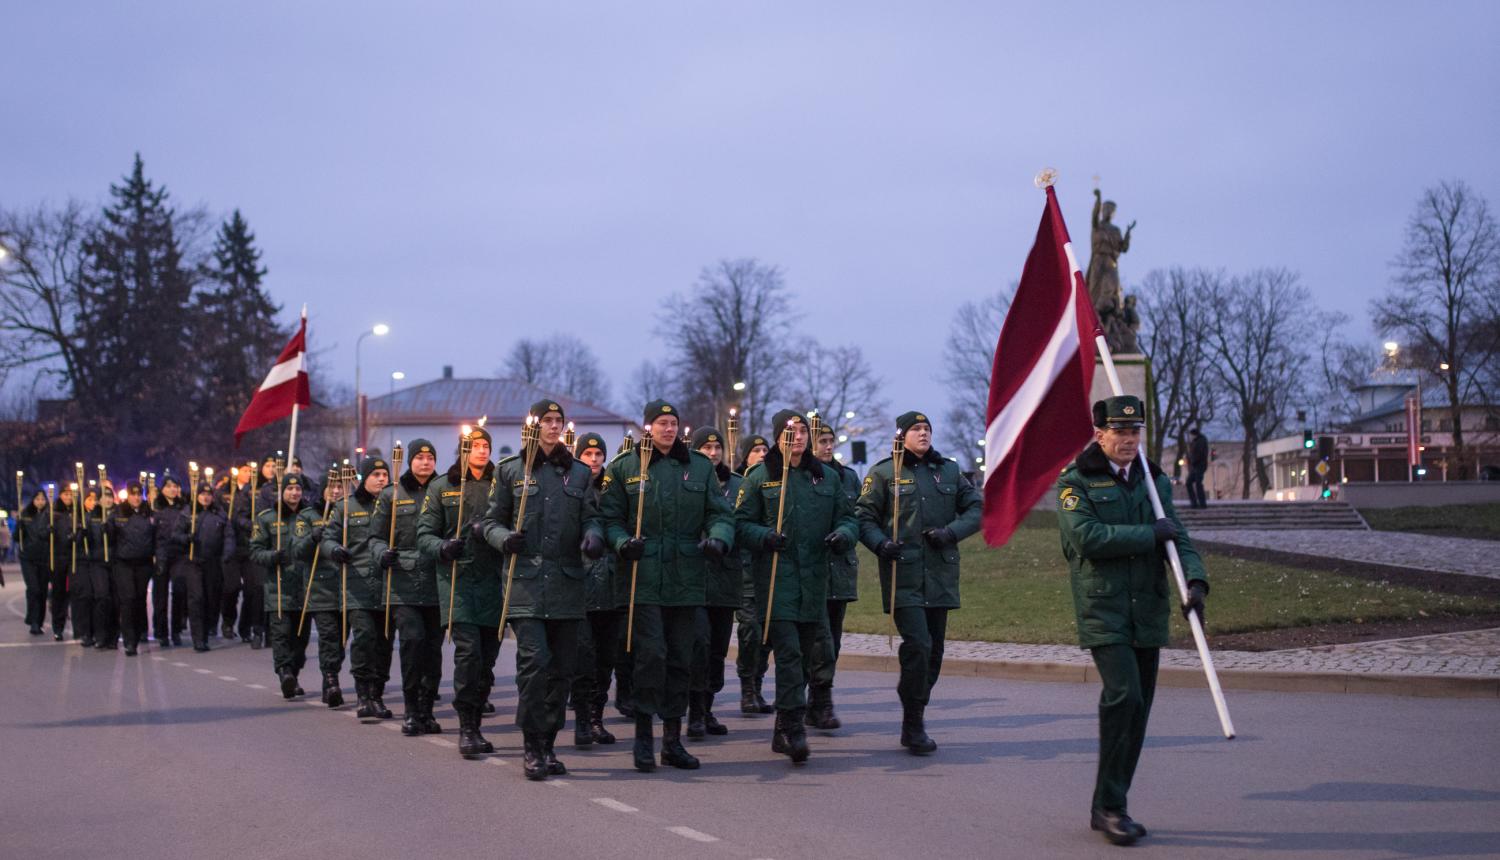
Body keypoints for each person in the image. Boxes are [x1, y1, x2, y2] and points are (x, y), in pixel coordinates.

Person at [1056, 395, 1209, 846]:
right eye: (1119, 432)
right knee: (1123, 696)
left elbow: (1176, 534)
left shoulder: (1153, 479)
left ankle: (1108, 801)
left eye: (1134, 432)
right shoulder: (1076, 482)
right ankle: (1111, 808)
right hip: (1102, 607)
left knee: (1139, 708)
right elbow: (1086, 538)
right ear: (1099, 434)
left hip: (1148, 608)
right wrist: (1148, 535)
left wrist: (1196, 582)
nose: (1128, 440)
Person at [599, 400, 734, 772]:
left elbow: (719, 514)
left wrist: (718, 539)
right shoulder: (626, 467)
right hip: (643, 580)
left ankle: (672, 740)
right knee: (651, 656)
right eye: (661, 423)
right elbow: (609, 517)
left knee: (681, 658)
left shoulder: (699, 467)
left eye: (673, 423)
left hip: (687, 580)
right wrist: (622, 543)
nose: (669, 429)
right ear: (648, 427)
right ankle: (644, 736)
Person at [479, 400, 604, 780]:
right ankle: (531, 743)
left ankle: (549, 742)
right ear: (534, 426)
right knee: (534, 665)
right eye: (546, 421)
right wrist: (503, 539)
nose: (553, 426)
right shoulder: (510, 472)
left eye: (558, 421)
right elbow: (489, 522)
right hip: (526, 586)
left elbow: (592, 517)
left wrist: (594, 538)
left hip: (567, 586)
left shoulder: (579, 474)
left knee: (563, 670)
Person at [855, 411, 982, 756]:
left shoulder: (950, 471)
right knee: (919, 645)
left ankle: (916, 708)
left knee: (935, 653)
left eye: (927, 428)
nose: (923, 433)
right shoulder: (884, 472)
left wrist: (950, 533)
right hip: (903, 577)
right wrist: (881, 544)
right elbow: (864, 517)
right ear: (901, 435)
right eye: (916, 429)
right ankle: (913, 723)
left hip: (940, 575)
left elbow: (977, 510)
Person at [735, 410, 858, 763]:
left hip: (814, 582)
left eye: (804, 430)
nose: (799, 437)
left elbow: (848, 518)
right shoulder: (761, 477)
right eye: (791, 431)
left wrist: (843, 536)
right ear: (777, 437)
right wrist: (764, 537)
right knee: (788, 655)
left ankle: (781, 729)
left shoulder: (825, 478)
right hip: (776, 582)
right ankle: (794, 728)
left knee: (806, 658)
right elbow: (740, 524)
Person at [417, 424, 501, 759]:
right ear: (463, 450)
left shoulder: (502, 483)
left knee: (488, 658)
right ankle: (467, 727)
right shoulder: (443, 486)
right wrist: (442, 547)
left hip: (495, 580)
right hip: (458, 581)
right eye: (474, 445)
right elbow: (424, 534)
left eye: (485, 445)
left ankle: (478, 717)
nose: (481, 450)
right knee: (468, 654)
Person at [370, 439, 443, 736]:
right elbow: (374, 537)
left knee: (433, 651)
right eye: (420, 457)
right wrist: (381, 554)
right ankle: (411, 710)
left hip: (438, 582)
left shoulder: (445, 490)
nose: (425, 462)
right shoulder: (392, 495)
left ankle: (427, 709)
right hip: (404, 584)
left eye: (430, 457)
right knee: (412, 644)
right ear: (410, 461)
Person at [325, 455, 395, 720]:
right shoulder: (346, 507)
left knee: (384, 641)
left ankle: (377, 694)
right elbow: (329, 537)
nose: (380, 479)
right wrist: (335, 550)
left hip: (389, 584)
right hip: (357, 583)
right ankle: (363, 694)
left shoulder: (394, 504)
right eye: (375, 475)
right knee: (364, 637)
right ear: (363, 479)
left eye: (384, 475)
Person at [568, 432, 623, 748]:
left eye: (598, 455)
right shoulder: (571, 488)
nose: (593, 460)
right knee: (583, 657)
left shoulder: (614, 490)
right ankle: (582, 720)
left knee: (605, 659)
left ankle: (597, 718)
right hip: (580, 586)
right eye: (587, 454)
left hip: (612, 588)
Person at [686, 426, 740, 740]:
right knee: (699, 644)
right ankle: (694, 712)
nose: (713, 452)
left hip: (725, 578)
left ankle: (707, 707)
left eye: (717, 446)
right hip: (694, 579)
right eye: (706, 447)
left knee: (718, 650)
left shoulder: (738, 485)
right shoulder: (689, 482)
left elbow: (740, 523)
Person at [810, 419, 861, 729]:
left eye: (830, 441)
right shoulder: (801, 477)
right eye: (822, 441)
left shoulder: (849, 479)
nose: (828, 446)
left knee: (834, 641)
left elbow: (857, 519)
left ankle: (816, 701)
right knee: (819, 641)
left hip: (839, 569)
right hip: (811, 569)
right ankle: (821, 701)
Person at [250, 473, 313, 699]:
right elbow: (255, 551)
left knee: (300, 638)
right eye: (290, 489)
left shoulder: (309, 516)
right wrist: (273, 556)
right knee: (281, 635)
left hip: (305, 587)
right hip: (278, 588)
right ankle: (285, 672)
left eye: (298, 490)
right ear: (282, 491)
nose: (294, 493)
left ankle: (293, 674)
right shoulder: (267, 518)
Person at [731, 433, 774, 715]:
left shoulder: (771, 482)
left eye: (764, 449)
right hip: (742, 570)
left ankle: (757, 684)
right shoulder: (736, 485)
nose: (761, 454)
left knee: (767, 633)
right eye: (755, 450)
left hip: (768, 568)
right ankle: (747, 685)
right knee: (750, 631)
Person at [301, 466, 350, 708]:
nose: (337, 490)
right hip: (322, 586)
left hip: (348, 586)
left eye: (341, 486)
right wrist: (313, 538)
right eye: (332, 486)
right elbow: (297, 551)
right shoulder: (308, 515)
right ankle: (331, 681)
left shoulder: (352, 512)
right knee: (329, 636)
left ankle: (330, 675)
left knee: (341, 638)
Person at [174, 481, 231, 652]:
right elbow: (176, 534)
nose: (205, 498)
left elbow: (228, 535)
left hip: (212, 562)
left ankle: (205, 634)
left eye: (208, 495)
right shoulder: (188, 513)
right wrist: (186, 538)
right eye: (202, 494)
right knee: (196, 598)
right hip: (193, 561)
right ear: (196, 496)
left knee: (210, 599)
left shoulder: (219, 513)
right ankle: (198, 638)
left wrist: (227, 553)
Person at [107, 482, 156, 656]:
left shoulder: (149, 512)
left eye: (138, 494)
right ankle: (129, 640)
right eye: (132, 494)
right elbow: (111, 539)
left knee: (139, 599)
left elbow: (156, 536)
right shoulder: (118, 513)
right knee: (128, 599)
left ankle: (139, 631)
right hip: (123, 563)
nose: (136, 498)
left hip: (143, 562)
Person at [74, 488, 117, 649]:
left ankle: (113, 636)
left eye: (110, 496)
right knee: (102, 597)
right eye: (104, 497)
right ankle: (100, 634)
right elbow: (81, 543)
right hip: (97, 562)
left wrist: (111, 530)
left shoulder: (117, 515)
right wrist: (82, 534)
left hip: (115, 562)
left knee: (115, 600)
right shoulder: (90, 517)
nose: (108, 500)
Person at [151, 474, 189, 646]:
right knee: (160, 595)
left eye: (175, 486)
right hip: (161, 554)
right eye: (169, 486)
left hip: (179, 554)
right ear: (162, 489)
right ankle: (161, 632)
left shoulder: (184, 508)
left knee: (180, 591)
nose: (172, 489)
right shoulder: (155, 509)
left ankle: (176, 630)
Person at [17, 489, 51, 636]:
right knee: (34, 589)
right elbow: (17, 538)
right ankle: (33, 621)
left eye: (43, 499)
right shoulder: (25, 515)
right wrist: (19, 527)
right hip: (28, 558)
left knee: (42, 591)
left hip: (44, 558)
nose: (40, 502)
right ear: (33, 500)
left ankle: (39, 621)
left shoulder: (50, 516)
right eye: (37, 499)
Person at [1187, 427, 1209, 509]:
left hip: (1200, 465)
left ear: (1194, 435)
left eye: (1191, 435)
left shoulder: (1201, 441)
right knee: (1189, 483)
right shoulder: (1195, 441)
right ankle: (1194, 503)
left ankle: (1202, 503)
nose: (1190, 437)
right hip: (1195, 466)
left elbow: (1199, 454)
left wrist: (1193, 461)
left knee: (1198, 483)